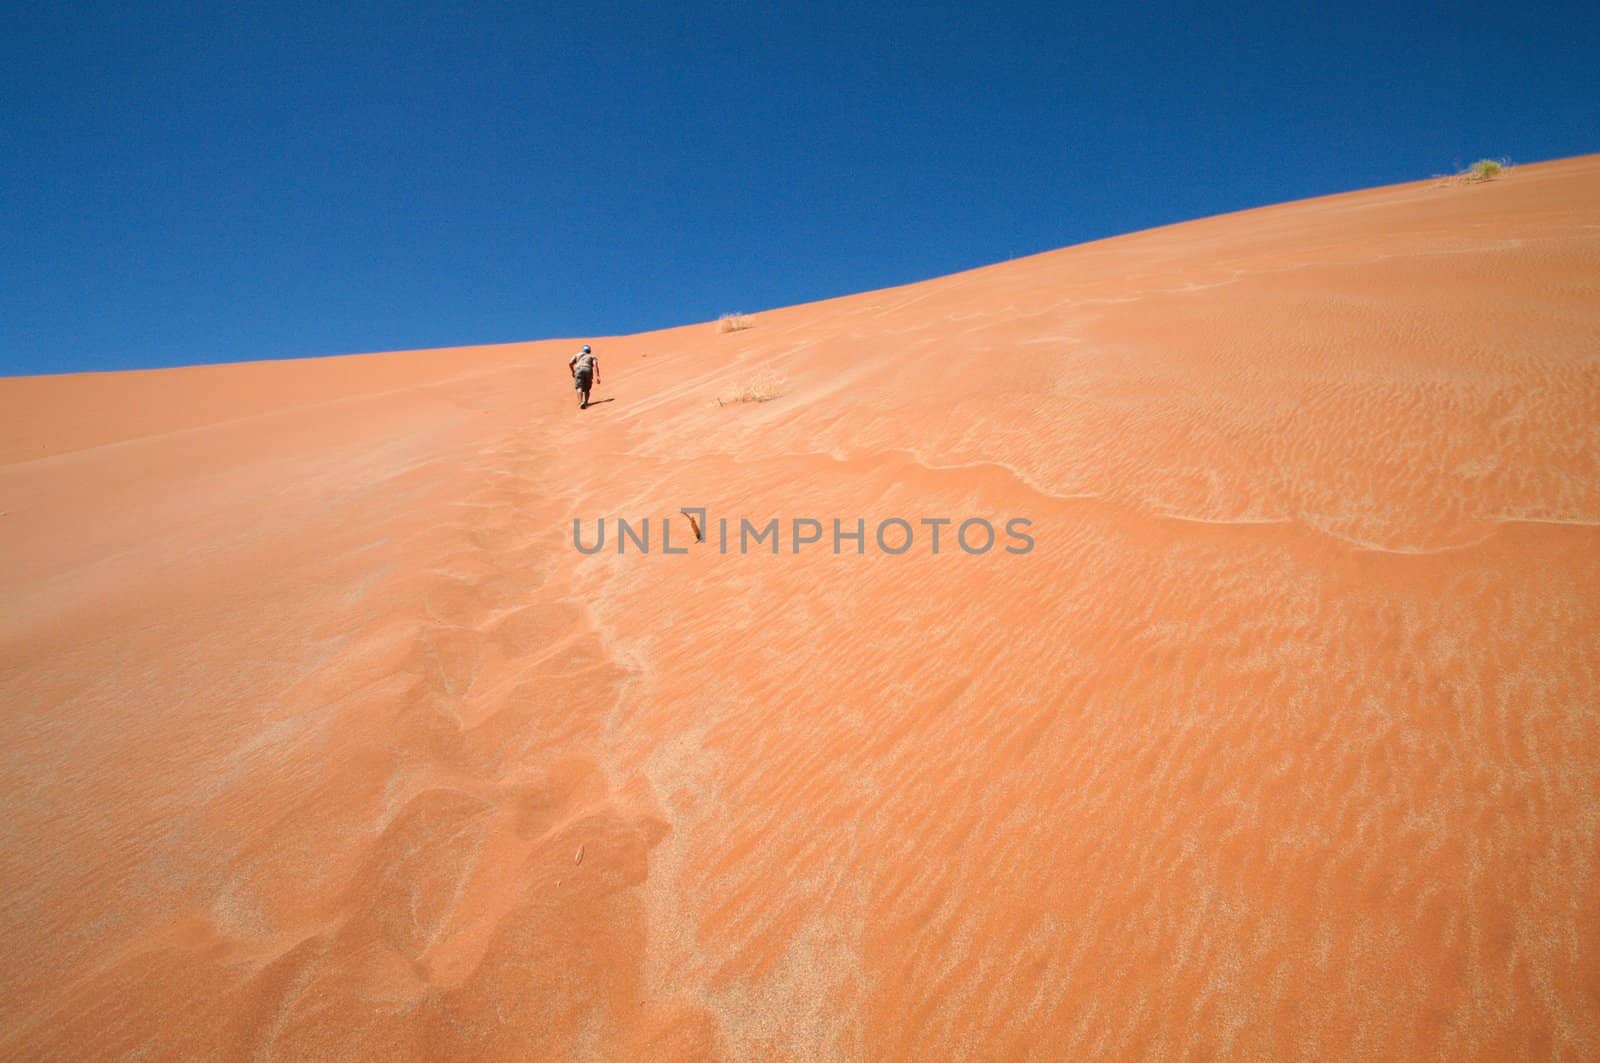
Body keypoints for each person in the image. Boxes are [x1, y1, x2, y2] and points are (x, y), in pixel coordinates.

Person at [568, 344, 600, 409]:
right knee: (587, 388)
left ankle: (581, 402)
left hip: (578, 369)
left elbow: (570, 363)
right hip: (588, 369)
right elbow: (595, 365)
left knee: (579, 387)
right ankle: (586, 402)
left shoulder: (577, 355)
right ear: (589, 350)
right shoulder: (592, 356)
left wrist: (573, 371)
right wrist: (598, 376)